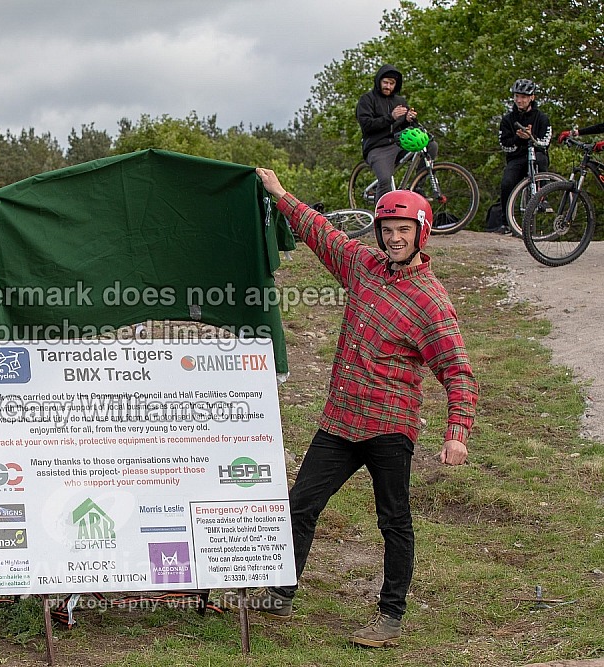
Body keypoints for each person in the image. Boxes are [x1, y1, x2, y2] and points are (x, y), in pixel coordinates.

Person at [225, 169, 478, 648]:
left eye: (404, 230)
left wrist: (456, 432)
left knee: (393, 521)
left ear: (421, 233)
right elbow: (323, 234)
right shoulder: (363, 267)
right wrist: (280, 194)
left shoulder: (431, 300)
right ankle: (280, 590)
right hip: (341, 421)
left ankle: (390, 617)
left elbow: (457, 370)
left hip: (389, 426)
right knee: (299, 504)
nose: (394, 237)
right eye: (387, 229)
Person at [356, 64, 437, 201]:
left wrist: (409, 119)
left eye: (391, 83)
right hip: (377, 147)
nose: (388, 86)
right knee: (385, 180)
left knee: (430, 145)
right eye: (385, 82)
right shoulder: (367, 99)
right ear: (379, 81)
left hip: (398, 143)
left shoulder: (400, 101)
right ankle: (380, 216)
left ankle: (418, 184)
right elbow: (366, 125)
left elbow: (405, 126)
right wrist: (390, 117)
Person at [496, 78, 551, 235]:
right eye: (517, 96)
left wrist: (530, 137)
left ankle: (543, 198)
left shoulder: (542, 118)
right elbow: (505, 145)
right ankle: (505, 222)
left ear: (532, 97)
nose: (519, 100)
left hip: (537, 155)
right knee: (507, 182)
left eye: (523, 97)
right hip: (517, 158)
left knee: (541, 161)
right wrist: (518, 139)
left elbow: (545, 142)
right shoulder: (507, 119)